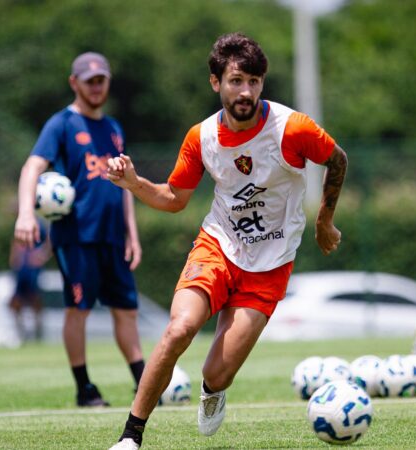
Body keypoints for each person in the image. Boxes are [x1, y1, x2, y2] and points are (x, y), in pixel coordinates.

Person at [107, 32, 348, 449]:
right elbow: (174, 199)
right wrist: (133, 183)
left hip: (271, 263)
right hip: (218, 245)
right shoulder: (201, 137)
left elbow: (337, 159)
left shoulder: (292, 128)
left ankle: (212, 389)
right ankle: (131, 436)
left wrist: (324, 220)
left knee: (217, 373)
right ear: (215, 82)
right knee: (179, 329)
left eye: (254, 81)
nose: (246, 91)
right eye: (236, 80)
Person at [14, 52, 145, 407]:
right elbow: (32, 167)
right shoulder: (61, 124)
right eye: (89, 81)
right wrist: (26, 214)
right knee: (79, 309)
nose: (96, 86)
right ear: (75, 83)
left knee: (126, 310)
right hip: (76, 238)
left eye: (101, 79)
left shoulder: (114, 128)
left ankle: (144, 385)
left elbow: (127, 185)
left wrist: (132, 233)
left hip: (113, 237)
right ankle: (84, 388)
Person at [9, 217, 50, 341]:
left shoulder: (39, 222)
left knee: (35, 297)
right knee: (16, 300)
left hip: (33, 268)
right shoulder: (20, 219)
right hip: (21, 267)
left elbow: (50, 238)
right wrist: (14, 257)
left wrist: (42, 255)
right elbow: (16, 240)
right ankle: (20, 331)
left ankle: (38, 330)